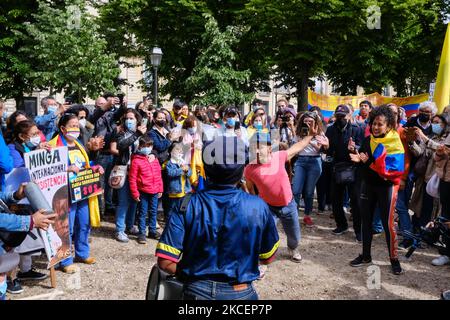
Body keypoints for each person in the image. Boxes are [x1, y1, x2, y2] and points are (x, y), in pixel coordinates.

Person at [155, 136, 279, 300]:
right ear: (242, 168)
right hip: (241, 292)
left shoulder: (186, 204)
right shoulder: (258, 206)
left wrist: (190, 273)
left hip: (196, 291)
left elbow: (165, 262)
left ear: (205, 167)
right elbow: (267, 257)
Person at [244, 127, 317, 263]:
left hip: (288, 204)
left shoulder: (278, 157)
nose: (257, 151)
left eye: (260, 147)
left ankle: (293, 248)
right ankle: (263, 256)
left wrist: (310, 136)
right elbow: (249, 188)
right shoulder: (249, 169)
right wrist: (254, 203)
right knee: (264, 233)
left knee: (294, 234)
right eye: (254, 147)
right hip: (268, 208)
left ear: (270, 149)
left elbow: (297, 147)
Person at [349, 105, 404, 275]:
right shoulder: (368, 140)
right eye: (374, 123)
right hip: (368, 185)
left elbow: (391, 173)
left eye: (380, 124)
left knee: (388, 225)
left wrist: (367, 162)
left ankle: (394, 259)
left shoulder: (395, 143)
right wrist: (356, 157)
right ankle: (366, 256)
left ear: (389, 126)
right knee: (366, 222)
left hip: (387, 188)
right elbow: (364, 163)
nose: (375, 127)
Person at [49, 113, 103, 273]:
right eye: (71, 125)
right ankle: (65, 260)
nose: (75, 128)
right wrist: (66, 168)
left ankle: (82, 253)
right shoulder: (54, 145)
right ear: (62, 128)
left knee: (84, 223)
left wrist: (94, 167)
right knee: (66, 227)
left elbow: (83, 164)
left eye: (76, 125)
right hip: (65, 194)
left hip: (82, 191)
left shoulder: (79, 144)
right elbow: (50, 169)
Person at [325, 104, 363, 239]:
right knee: (336, 199)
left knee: (356, 201)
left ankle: (359, 230)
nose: (340, 118)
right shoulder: (330, 130)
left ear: (349, 116)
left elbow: (363, 147)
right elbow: (327, 151)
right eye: (338, 116)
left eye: (343, 116)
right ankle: (341, 225)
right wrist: (325, 147)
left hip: (354, 168)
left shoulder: (357, 129)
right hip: (337, 167)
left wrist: (355, 148)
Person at [114, 109, 147, 243]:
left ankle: (130, 225)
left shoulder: (142, 134)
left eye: (132, 118)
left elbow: (150, 146)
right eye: (127, 118)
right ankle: (119, 230)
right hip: (125, 171)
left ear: (137, 120)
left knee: (135, 200)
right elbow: (121, 145)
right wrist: (137, 133)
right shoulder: (121, 133)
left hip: (139, 172)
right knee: (123, 201)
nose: (129, 121)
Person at [292, 112, 329, 226]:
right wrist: (302, 139)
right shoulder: (298, 132)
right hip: (301, 161)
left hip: (314, 161)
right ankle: (294, 214)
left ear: (315, 122)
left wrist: (310, 138)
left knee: (309, 192)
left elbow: (320, 149)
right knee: (296, 190)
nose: (308, 123)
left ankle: (307, 215)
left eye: (310, 121)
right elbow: (295, 149)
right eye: (306, 121)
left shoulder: (319, 133)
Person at [129, 135, 163, 244]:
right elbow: (132, 178)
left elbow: (158, 174)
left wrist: (160, 188)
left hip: (154, 191)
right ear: (140, 147)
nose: (147, 148)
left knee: (153, 212)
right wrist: (135, 193)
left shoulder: (154, 159)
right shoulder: (136, 161)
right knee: (142, 213)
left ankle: (152, 231)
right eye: (145, 146)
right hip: (143, 191)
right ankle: (142, 233)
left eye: (150, 146)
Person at [432, 136, 450, 266]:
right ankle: (447, 254)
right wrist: (439, 153)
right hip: (446, 182)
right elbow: (437, 159)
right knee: (446, 218)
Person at [164, 142, 192, 217]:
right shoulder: (169, 163)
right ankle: (170, 225)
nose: (179, 151)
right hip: (175, 192)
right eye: (177, 149)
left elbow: (190, 174)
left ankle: (182, 224)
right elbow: (171, 173)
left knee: (183, 209)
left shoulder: (183, 161)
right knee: (172, 210)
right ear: (171, 152)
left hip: (186, 191)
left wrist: (186, 170)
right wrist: (181, 169)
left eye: (181, 149)